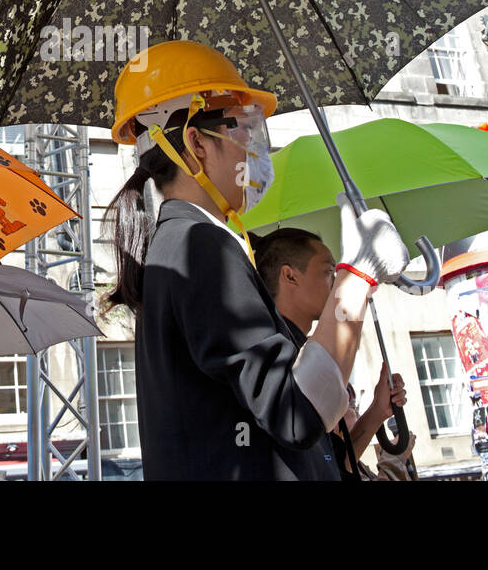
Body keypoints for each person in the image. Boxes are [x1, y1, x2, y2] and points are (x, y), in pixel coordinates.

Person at [104, 40, 411, 480]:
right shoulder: (199, 247)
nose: (252, 144)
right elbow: (297, 412)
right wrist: (357, 277)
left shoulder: (180, 243)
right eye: (241, 128)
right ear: (196, 143)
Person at [255, 226, 409, 480]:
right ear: (290, 276)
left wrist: (377, 411)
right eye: (329, 272)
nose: (336, 282)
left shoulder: (303, 348)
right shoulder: (273, 355)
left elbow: (335, 460)